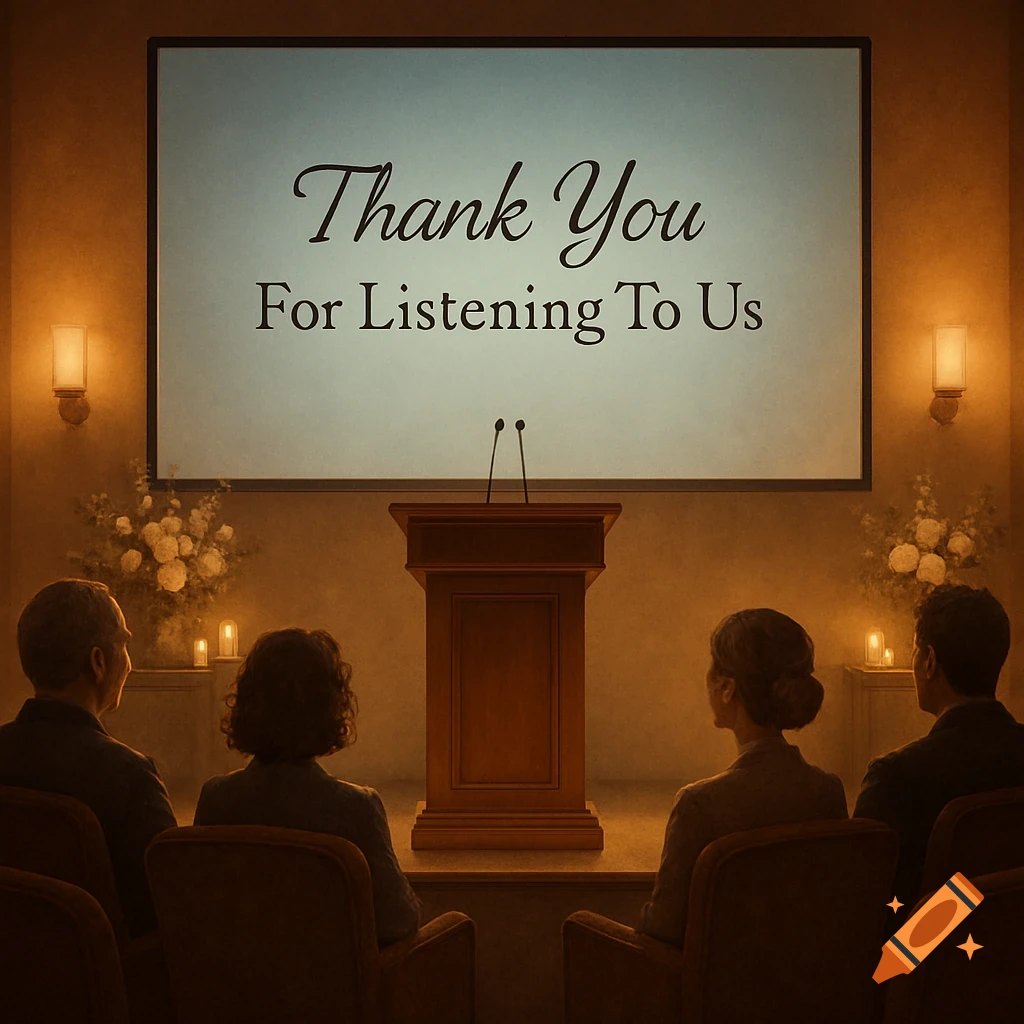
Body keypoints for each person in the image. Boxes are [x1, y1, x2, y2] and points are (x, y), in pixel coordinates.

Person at [195, 627, 421, 946]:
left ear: (246, 702)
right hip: (335, 993)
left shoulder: (216, 799)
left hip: (238, 991)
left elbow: (202, 917)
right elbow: (397, 922)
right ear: (330, 706)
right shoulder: (356, 808)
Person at [639, 608, 848, 946]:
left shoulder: (699, 805)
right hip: (806, 992)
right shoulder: (827, 791)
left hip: (714, 996)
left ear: (726, 688)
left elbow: (663, 930)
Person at [0, 579, 177, 937]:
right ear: (98, 662)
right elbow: (173, 909)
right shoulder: (130, 777)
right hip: (101, 988)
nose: (129, 664)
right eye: (124, 646)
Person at [854, 584, 1024, 904]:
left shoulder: (896, 777)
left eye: (916, 651)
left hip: (922, 952)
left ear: (929, 661)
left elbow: (862, 906)